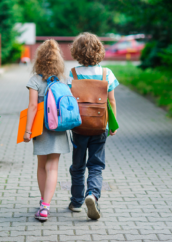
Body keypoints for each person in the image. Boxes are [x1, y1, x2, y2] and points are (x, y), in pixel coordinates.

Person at [67, 32, 119, 220]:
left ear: (77, 51)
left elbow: (68, 101)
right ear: (99, 50)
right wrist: (112, 125)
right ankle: (93, 195)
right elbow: (111, 102)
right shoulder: (107, 73)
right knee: (96, 165)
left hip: (79, 126)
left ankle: (76, 202)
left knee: (78, 165)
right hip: (99, 126)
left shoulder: (72, 73)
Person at [23, 39, 70, 222]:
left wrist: (28, 131)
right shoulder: (64, 80)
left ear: (39, 59)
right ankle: (46, 206)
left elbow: (33, 106)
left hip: (41, 128)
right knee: (53, 167)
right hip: (59, 126)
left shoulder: (34, 80)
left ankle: (43, 203)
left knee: (42, 165)